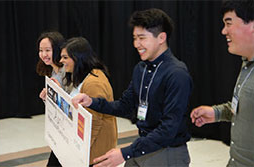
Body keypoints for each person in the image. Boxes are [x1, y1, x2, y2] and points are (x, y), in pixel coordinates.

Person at [72, 8, 193, 167]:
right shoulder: (140, 69)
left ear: (161, 37)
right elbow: (124, 106)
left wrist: (125, 153)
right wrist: (91, 102)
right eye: (135, 38)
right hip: (143, 145)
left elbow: (168, 130)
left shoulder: (177, 74)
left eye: (142, 38)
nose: (136, 44)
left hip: (167, 153)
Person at [190, 0, 254, 166]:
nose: (224, 31)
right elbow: (243, 109)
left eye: (228, 23)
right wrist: (215, 113)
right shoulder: (246, 64)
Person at [59, 37, 118, 166]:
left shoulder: (94, 83)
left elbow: (94, 123)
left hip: (96, 149)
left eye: (65, 57)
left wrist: (79, 150)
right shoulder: (82, 76)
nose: (61, 61)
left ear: (77, 58)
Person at [36, 31, 66, 167]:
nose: (43, 54)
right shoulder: (53, 71)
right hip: (61, 129)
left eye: (48, 50)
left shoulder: (67, 71)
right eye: (41, 50)